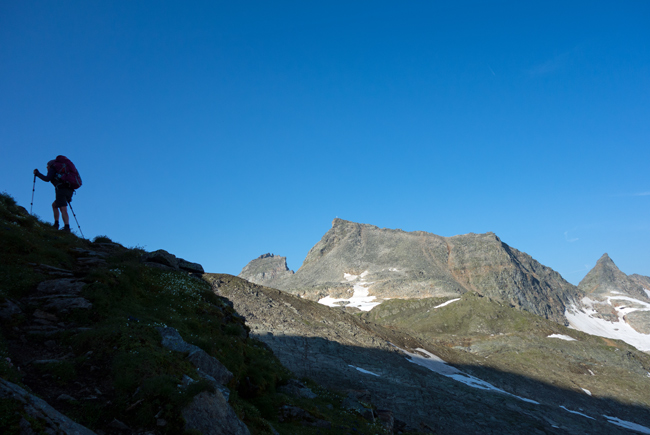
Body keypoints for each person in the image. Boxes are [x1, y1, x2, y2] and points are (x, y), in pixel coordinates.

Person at [34, 161, 73, 232]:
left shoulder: (53, 169)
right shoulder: (63, 171)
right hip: (69, 191)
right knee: (55, 205)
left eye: (47, 165)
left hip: (61, 190)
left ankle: (65, 227)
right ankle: (58, 224)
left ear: (50, 165)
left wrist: (37, 174)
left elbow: (47, 179)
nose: (46, 167)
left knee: (63, 209)